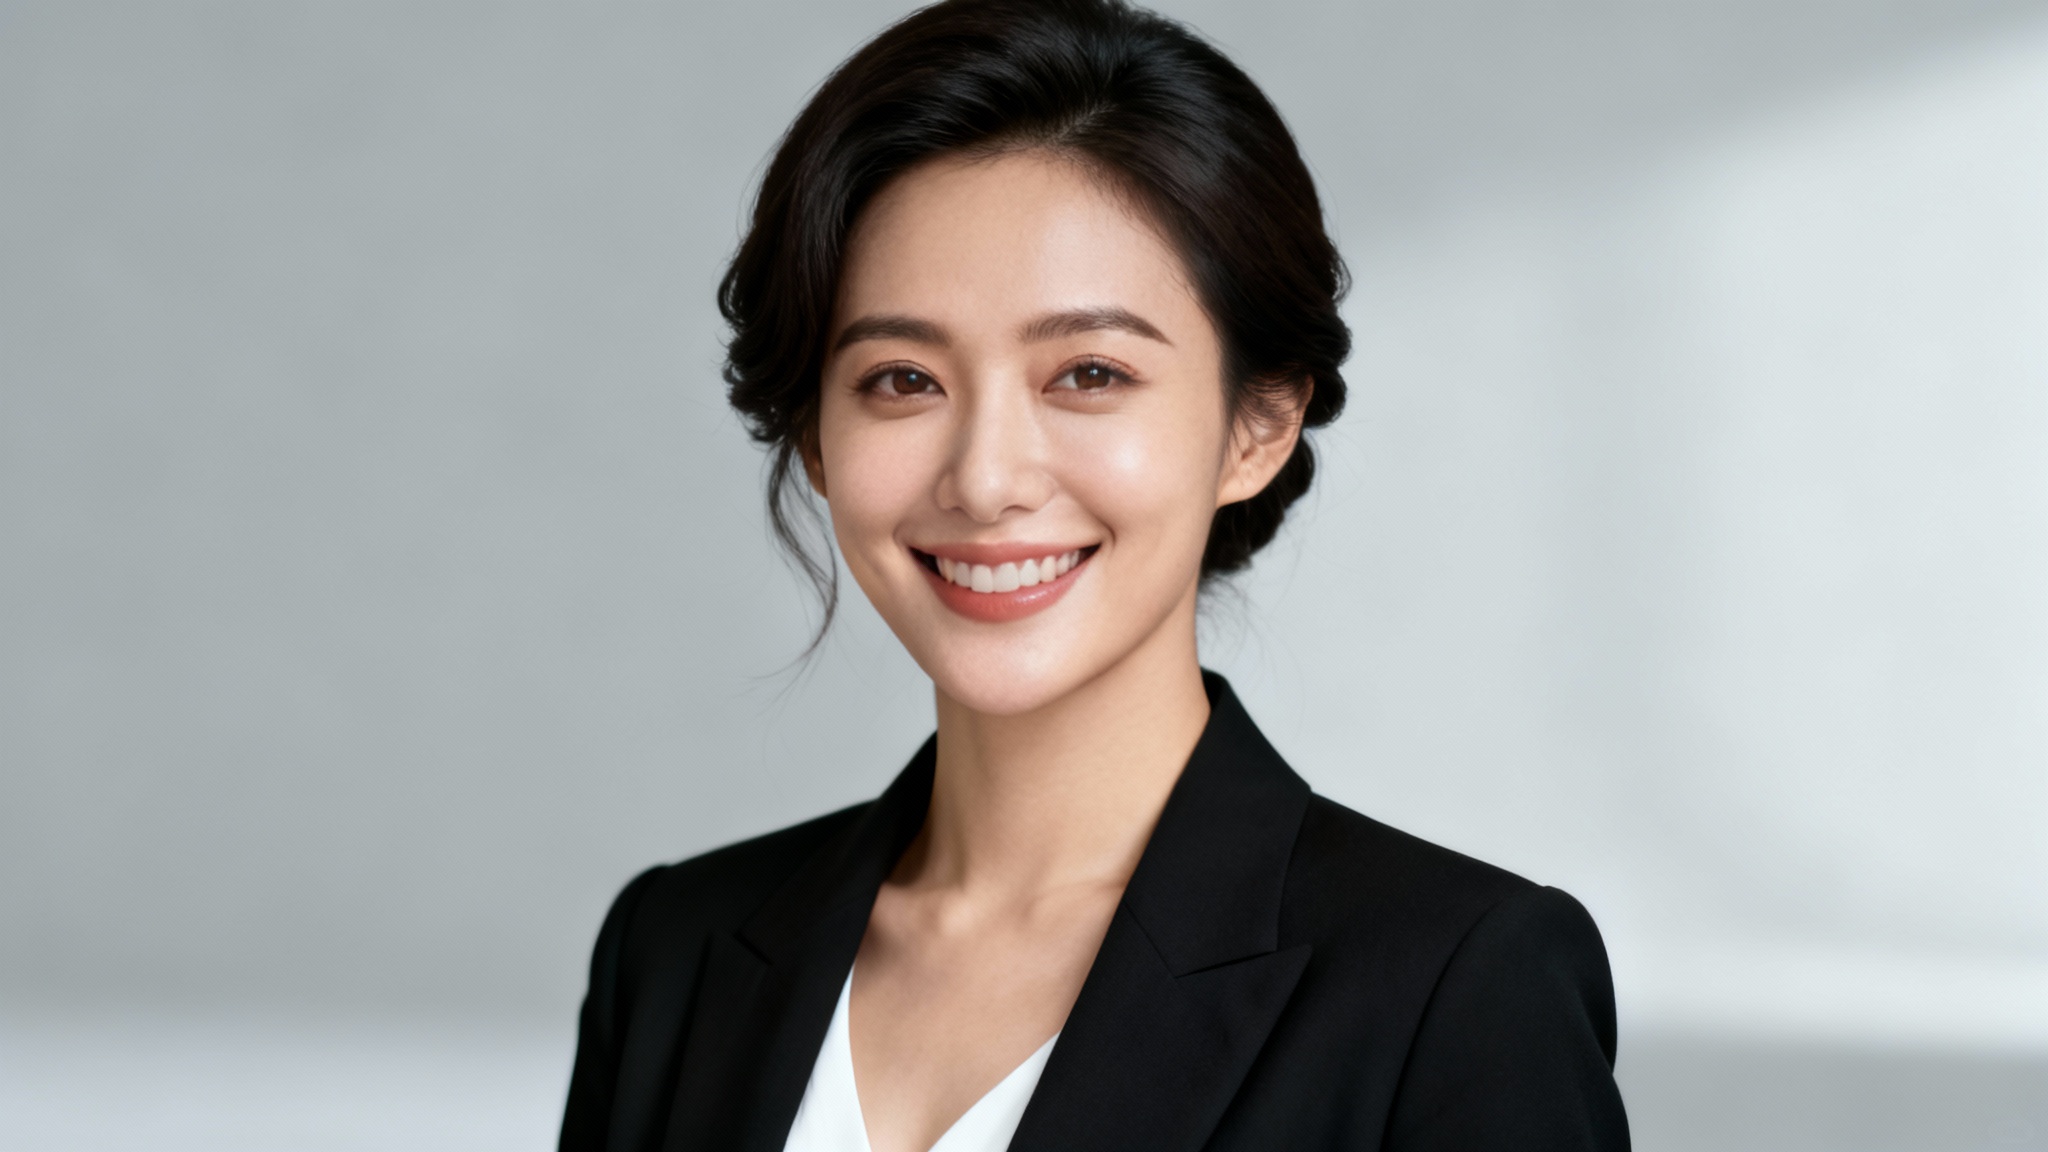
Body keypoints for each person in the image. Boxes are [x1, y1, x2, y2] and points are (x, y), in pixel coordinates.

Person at [560, 1, 1630, 1149]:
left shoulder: (1457, 988)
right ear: (814, 434)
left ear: (1257, 425)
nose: (984, 480)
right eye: (902, 379)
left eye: (1087, 373)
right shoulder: (673, 953)